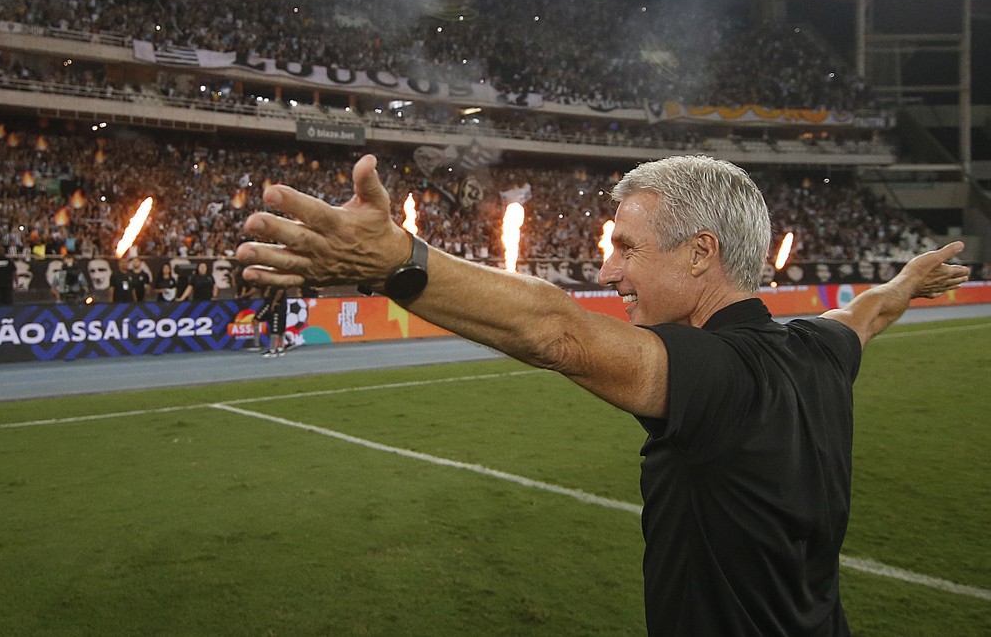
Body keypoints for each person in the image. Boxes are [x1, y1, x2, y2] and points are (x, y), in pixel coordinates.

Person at [236, 153, 967, 636]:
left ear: (701, 252)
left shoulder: (720, 376)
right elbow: (868, 311)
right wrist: (908, 281)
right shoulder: (818, 349)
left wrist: (399, 260)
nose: (610, 270)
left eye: (626, 247)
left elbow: (558, 334)